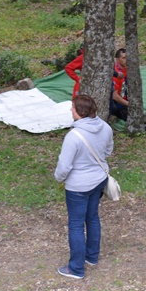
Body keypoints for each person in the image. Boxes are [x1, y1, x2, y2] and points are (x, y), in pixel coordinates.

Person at [53, 94, 113, 280]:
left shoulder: (73, 136)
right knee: (92, 217)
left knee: (76, 225)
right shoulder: (106, 127)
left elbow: (64, 167)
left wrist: (59, 178)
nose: (70, 110)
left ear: (79, 112)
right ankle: (91, 257)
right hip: (98, 180)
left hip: (78, 186)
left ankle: (76, 269)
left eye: (72, 107)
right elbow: (108, 151)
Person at [109, 49, 129, 120]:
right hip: (117, 102)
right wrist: (129, 104)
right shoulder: (115, 73)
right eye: (124, 58)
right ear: (117, 60)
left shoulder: (127, 69)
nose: (127, 60)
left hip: (124, 96)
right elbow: (114, 96)